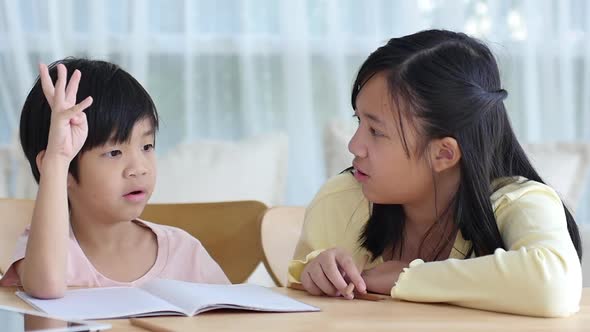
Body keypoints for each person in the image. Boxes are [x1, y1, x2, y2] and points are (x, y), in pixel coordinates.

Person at [288, 30, 582, 317]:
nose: (354, 145)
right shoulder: (342, 199)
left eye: (376, 131)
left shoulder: (519, 201)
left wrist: (406, 277)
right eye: (359, 121)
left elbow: (554, 286)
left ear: (443, 154)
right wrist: (318, 273)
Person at [0, 58, 229, 298]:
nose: (138, 168)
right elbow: (46, 288)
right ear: (64, 171)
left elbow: (234, 319)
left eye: (147, 146)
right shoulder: (42, 249)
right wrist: (57, 161)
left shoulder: (184, 251)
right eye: (114, 152)